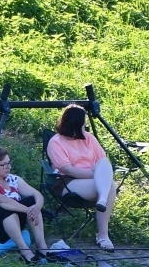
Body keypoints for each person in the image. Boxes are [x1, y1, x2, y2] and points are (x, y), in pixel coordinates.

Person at [46, 104, 117, 251]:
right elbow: (69, 170)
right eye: (83, 123)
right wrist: (98, 175)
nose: (85, 126)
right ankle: (103, 235)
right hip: (68, 181)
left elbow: (102, 160)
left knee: (104, 164)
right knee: (109, 186)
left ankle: (103, 228)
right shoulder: (55, 142)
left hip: (93, 178)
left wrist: (100, 173)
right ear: (75, 124)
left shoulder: (88, 138)